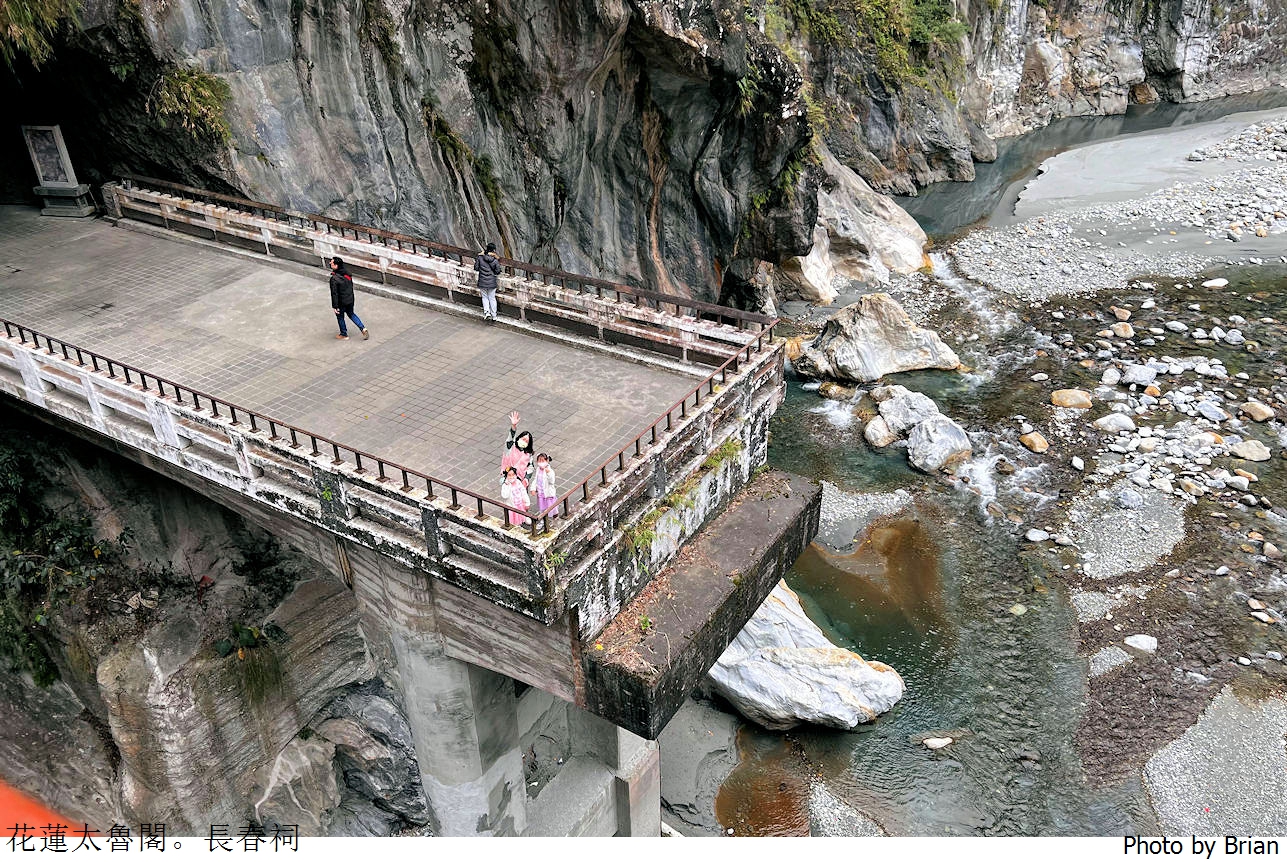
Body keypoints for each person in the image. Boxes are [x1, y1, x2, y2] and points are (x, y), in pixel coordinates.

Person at [329, 257, 369, 340]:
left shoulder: (334, 279)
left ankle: (344, 334)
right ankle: (363, 328)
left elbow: (334, 294)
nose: (330, 263)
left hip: (341, 302)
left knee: (340, 317)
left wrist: (335, 306)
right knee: (351, 314)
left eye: (332, 263)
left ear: (336, 266)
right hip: (350, 299)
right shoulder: (347, 274)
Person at [502, 411, 535, 490]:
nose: (524, 442)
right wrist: (513, 425)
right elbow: (510, 438)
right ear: (519, 438)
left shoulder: (528, 454)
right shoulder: (511, 447)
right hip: (509, 478)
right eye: (523, 439)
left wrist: (527, 478)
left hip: (521, 482)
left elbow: (531, 467)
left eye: (526, 441)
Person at [475, 242, 501, 323]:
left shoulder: (480, 257)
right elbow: (497, 271)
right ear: (493, 250)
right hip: (491, 282)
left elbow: (476, 268)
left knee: (485, 297)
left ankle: (487, 312)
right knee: (492, 298)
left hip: (482, 281)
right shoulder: (495, 260)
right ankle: (494, 316)